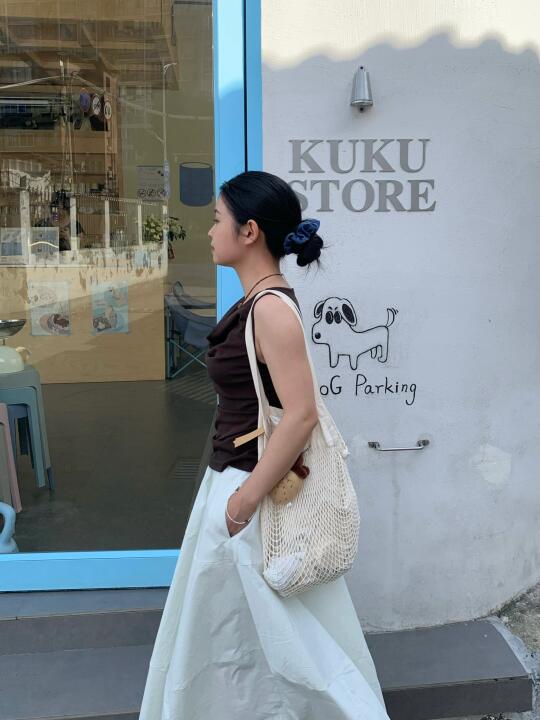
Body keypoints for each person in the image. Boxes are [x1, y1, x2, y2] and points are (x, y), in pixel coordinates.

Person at [139, 171, 390, 719]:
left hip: (255, 496)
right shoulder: (257, 302)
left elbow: (300, 415)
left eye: (217, 220)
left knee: (286, 645)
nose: (210, 232)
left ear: (249, 231)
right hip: (239, 485)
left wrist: (244, 502)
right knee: (249, 636)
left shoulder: (270, 309)